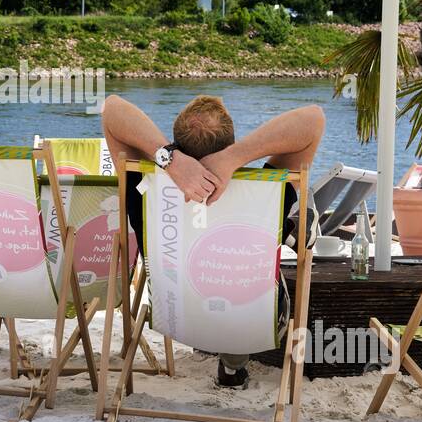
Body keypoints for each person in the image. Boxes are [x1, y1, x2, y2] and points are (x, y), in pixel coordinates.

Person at [101, 94, 325, 388]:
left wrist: (169, 159)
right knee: (243, 274)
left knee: (220, 274)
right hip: (256, 323)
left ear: (177, 142)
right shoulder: (265, 192)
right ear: (230, 143)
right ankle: (233, 365)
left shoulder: (145, 186)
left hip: (174, 317)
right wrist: (234, 158)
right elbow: (314, 119)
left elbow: (112, 109)